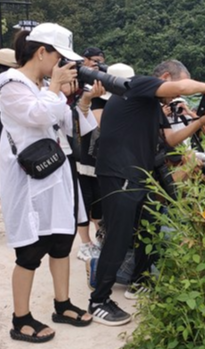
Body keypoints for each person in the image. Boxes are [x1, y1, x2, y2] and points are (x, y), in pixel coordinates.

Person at [90, 59, 205, 326]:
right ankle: (99, 301)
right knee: (119, 234)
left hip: (139, 175)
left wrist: (200, 122)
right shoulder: (137, 85)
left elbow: (168, 140)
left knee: (148, 227)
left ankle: (139, 281)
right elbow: (183, 87)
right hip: (120, 173)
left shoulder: (149, 103)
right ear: (163, 77)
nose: (175, 97)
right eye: (174, 88)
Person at [0, 22, 98, 343]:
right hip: (29, 184)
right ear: (42, 52)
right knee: (30, 251)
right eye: (60, 58)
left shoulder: (44, 88)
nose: (64, 66)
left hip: (57, 179)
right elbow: (38, 117)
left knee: (60, 242)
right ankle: (21, 318)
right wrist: (55, 88)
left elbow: (74, 128)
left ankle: (62, 304)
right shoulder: (9, 84)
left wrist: (83, 101)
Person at [74, 47, 108, 261]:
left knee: (99, 202)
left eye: (101, 63)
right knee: (84, 201)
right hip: (84, 155)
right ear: (84, 60)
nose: (97, 67)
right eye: (94, 62)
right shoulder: (79, 85)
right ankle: (85, 243)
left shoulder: (104, 91)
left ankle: (100, 238)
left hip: (101, 159)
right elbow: (90, 122)